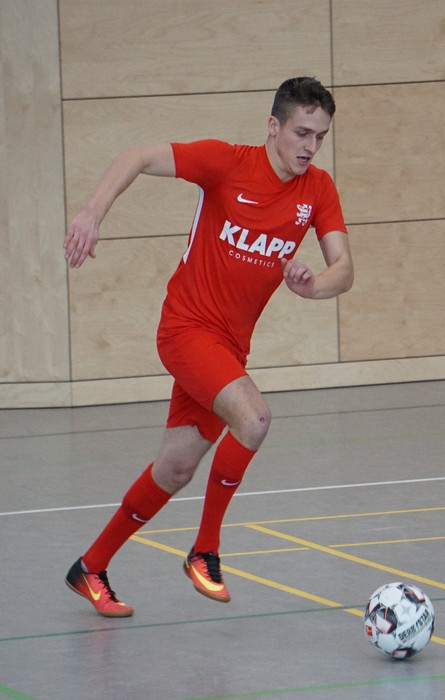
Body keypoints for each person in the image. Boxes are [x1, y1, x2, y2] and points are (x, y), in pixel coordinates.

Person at [62, 77, 353, 616]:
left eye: (321, 137)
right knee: (255, 420)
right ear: (274, 126)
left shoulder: (318, 190)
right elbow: (138, 156)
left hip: (228, 348)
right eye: (302, 133)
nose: (311, 147)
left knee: (174, 469)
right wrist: (92, 213)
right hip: (186, 330)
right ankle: (205, 550)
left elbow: (345, 270)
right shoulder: (225, 163)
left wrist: (313, 285)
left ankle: (91, 566)